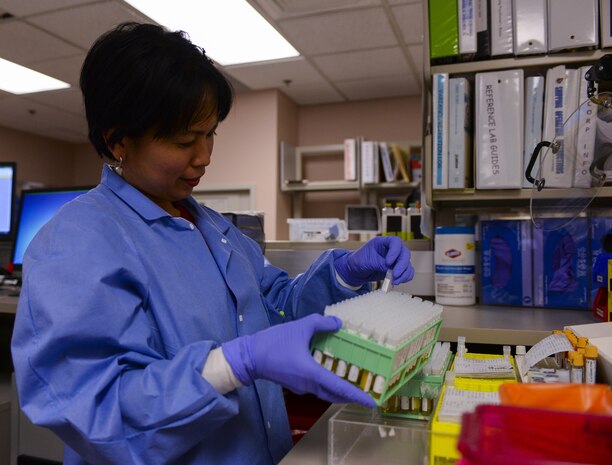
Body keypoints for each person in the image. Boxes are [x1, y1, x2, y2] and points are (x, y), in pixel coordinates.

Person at [11, 22, 415, 465]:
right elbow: (97, 409)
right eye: (185, 140)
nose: (204, 157)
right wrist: (232, 365)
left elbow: (276, 307)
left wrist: (343, 273)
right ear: (117, 141)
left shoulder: (214, 228)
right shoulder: (78, 242)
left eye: (211, 134)